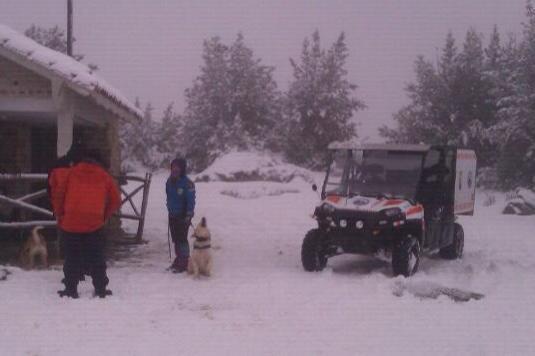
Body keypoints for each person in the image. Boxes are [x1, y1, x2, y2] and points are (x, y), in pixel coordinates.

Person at [56, 149, 121, 298]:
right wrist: (104, 215)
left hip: (71, 221)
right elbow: (116, 199)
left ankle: (71, 289)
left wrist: (60, 215)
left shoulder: (70, 173)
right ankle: (100, 289)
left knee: (72, 256)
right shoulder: (104, 175)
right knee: (97, 256)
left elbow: (59, 196)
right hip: (94, 222)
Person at [166, 157, 196, 273]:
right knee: (176, 239)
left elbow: (191, 200)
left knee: (182, 238)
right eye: (173, 166)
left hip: (183, 216)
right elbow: (168, 196)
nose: (175, 169)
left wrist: (189, 215)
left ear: (182, 168)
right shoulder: (169, 181)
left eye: (177, 167)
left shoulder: (188, 183)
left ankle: (185, 261)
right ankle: (178, 259)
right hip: (172, 215)